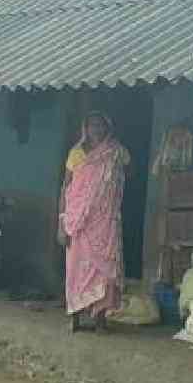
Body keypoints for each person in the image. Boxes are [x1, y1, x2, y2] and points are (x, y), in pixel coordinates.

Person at [58, 111, 130, 332]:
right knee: (76, 269)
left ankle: (100, 320)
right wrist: (61, 222)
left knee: (104, 272)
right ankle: (76, 317)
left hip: (105, 222)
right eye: (92, 126)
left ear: (107, 128)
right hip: (78, 222)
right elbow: (66, 188)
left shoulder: (117, 152)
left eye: (100, 125)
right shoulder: (76, 154)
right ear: (85, 129)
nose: (96, 130)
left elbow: (123, 178)